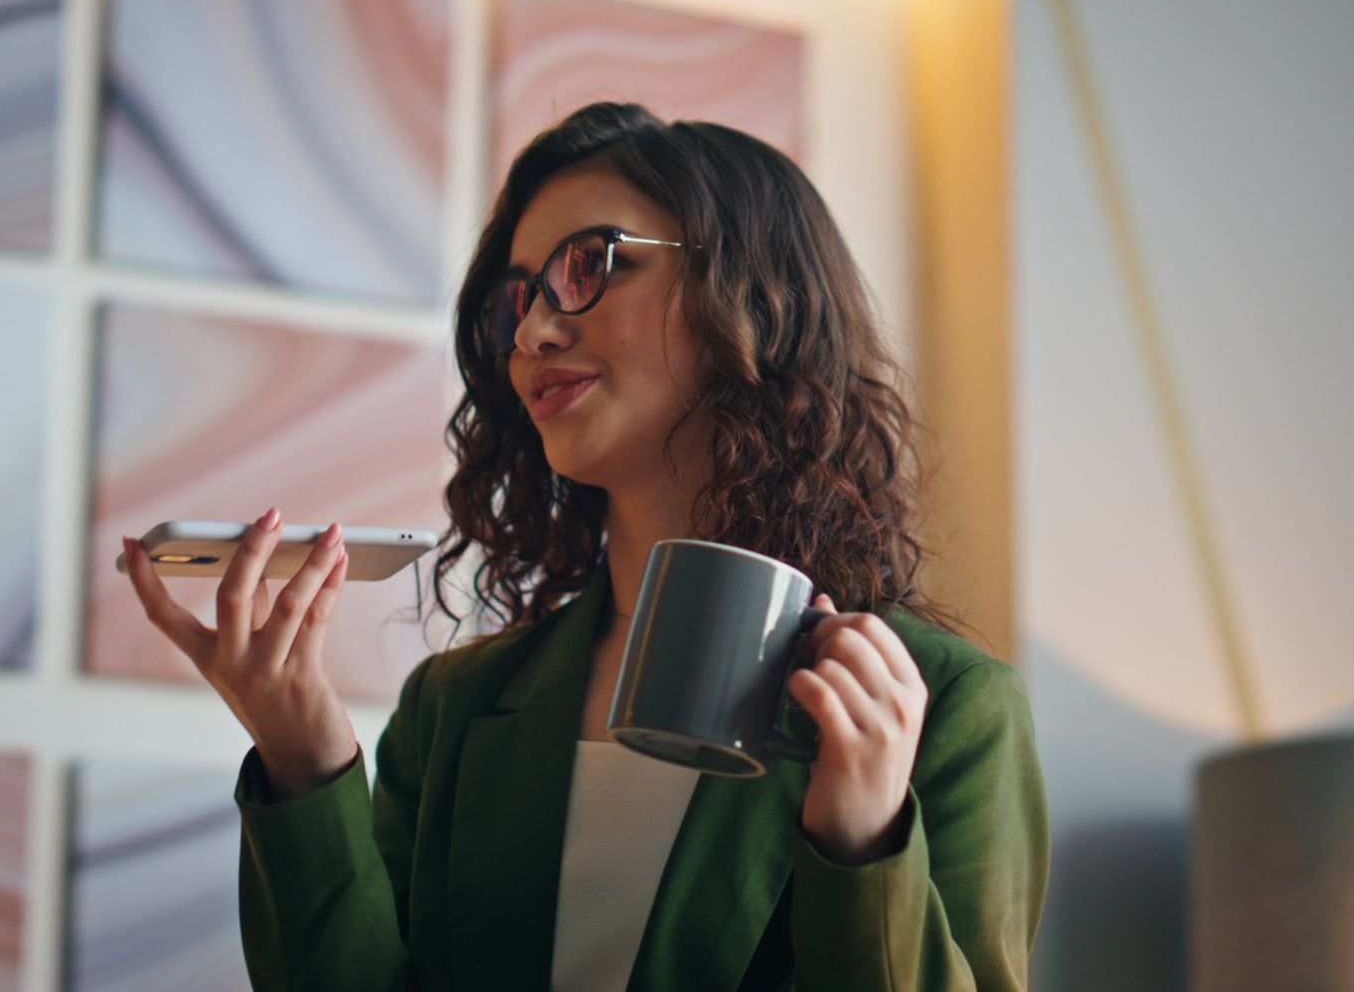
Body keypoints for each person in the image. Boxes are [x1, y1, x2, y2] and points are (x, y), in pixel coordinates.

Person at [120, 102, 1049, 990]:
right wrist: (302, 759)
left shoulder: (949, 711)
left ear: (750, 294)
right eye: (515, 300)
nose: (531, 332)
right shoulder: (454, 708)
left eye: (588, 265)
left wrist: (864, 843)